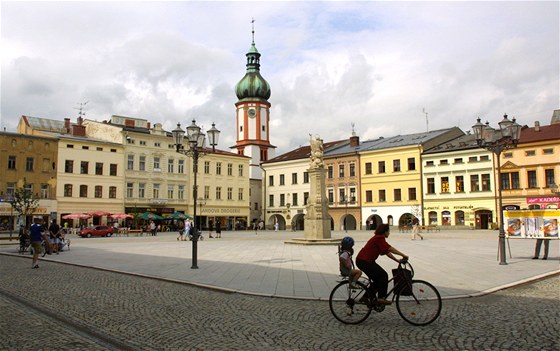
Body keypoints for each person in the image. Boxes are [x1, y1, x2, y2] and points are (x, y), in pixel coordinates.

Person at [356, 223, 408, 305]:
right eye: (388, 231)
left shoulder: (378, 239)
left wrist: (397, 260)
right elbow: (389, 248)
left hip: (364, 261)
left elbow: (387, 252)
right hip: (364, 261)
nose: (389, 233)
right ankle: (381, 298)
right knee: (383, 275)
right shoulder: (379, 238)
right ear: (384, 231)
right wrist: (403, 255)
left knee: (377, 280)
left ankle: (365, 297)